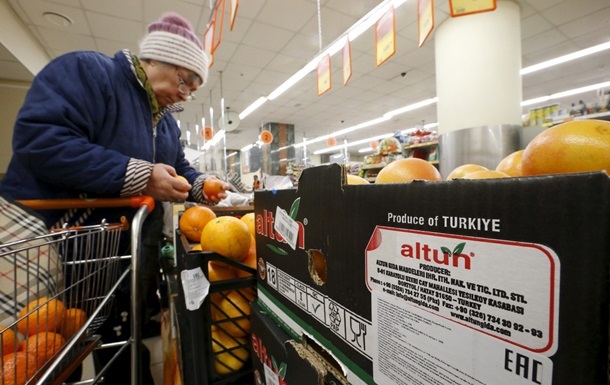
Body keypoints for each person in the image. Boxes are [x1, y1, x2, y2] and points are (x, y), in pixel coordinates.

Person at [0, 12, 230, 384]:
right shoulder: (90, 74)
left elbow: (179, 169)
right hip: (55, 249)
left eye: (193, 88)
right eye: (185, 80)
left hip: (119, 259)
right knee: (45, 355)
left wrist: (204, 184)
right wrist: (138, 175)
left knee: (115, 339)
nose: (185, 93)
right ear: (156, 58)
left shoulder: (166, 123)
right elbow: (39, 140)